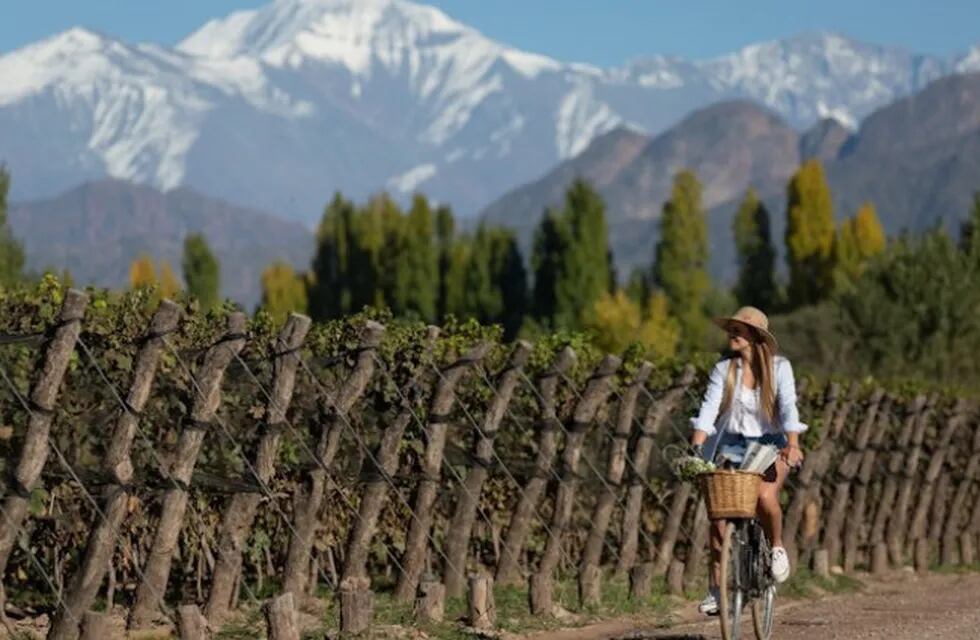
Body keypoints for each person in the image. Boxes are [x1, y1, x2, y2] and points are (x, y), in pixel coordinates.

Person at [689, 306, 806, 616]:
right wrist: (697, 445)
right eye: (732, 328)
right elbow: (708, 409)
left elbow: (789, 409)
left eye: (739, 329)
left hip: (771, 445)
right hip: (732, 446)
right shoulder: (724, 370)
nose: (733, 333)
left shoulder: (779, 369)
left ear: (755, 337)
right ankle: (716, 589)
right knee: (718, 516)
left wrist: (793, 444)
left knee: (765, 496)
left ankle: (777, 547)